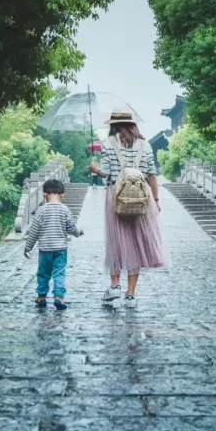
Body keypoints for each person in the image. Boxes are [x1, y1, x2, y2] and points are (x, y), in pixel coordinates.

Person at [89, 111, 169, 308]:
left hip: (116, 197)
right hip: (142, 199)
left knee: (116, 241)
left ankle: (114, 286)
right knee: (136, 243)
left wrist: (95, 169)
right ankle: (131, 296)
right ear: (132, 125)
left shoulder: (108, 143)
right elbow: (152, 175)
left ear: (114, 125)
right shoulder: (145, 144)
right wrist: (156, 200)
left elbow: (106, 172)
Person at [23, 179, 83, 310]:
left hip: (45, 249)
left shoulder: (41, 210)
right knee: (59, 273)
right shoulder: (65, 210)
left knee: (43, 273)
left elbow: (34, 230)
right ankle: (59, 297)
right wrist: (79, 232)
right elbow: (72, 227)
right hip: (61, 249)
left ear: (44, 194)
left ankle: (41, 297)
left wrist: (28, 247)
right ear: (62, 194)